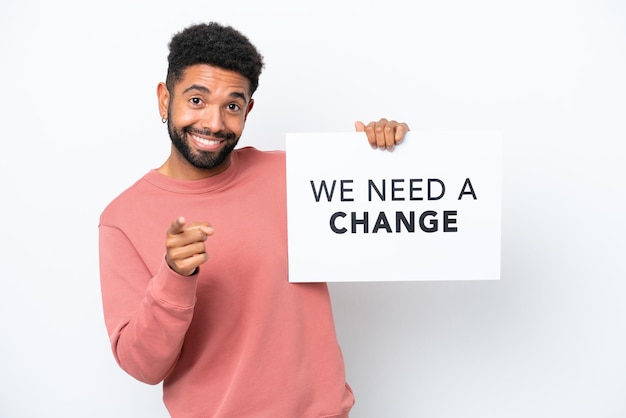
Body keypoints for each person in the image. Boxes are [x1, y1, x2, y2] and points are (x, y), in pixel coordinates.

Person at [98, 22, 409, 418]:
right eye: (196, 100)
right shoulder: (122, 219)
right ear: (164, 99)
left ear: (248, 109)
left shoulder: (297, 176)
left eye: (232, 105)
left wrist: (388, 154)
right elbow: (142, 366)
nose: (213, 123)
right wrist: (174, 275)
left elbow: (387, 212)